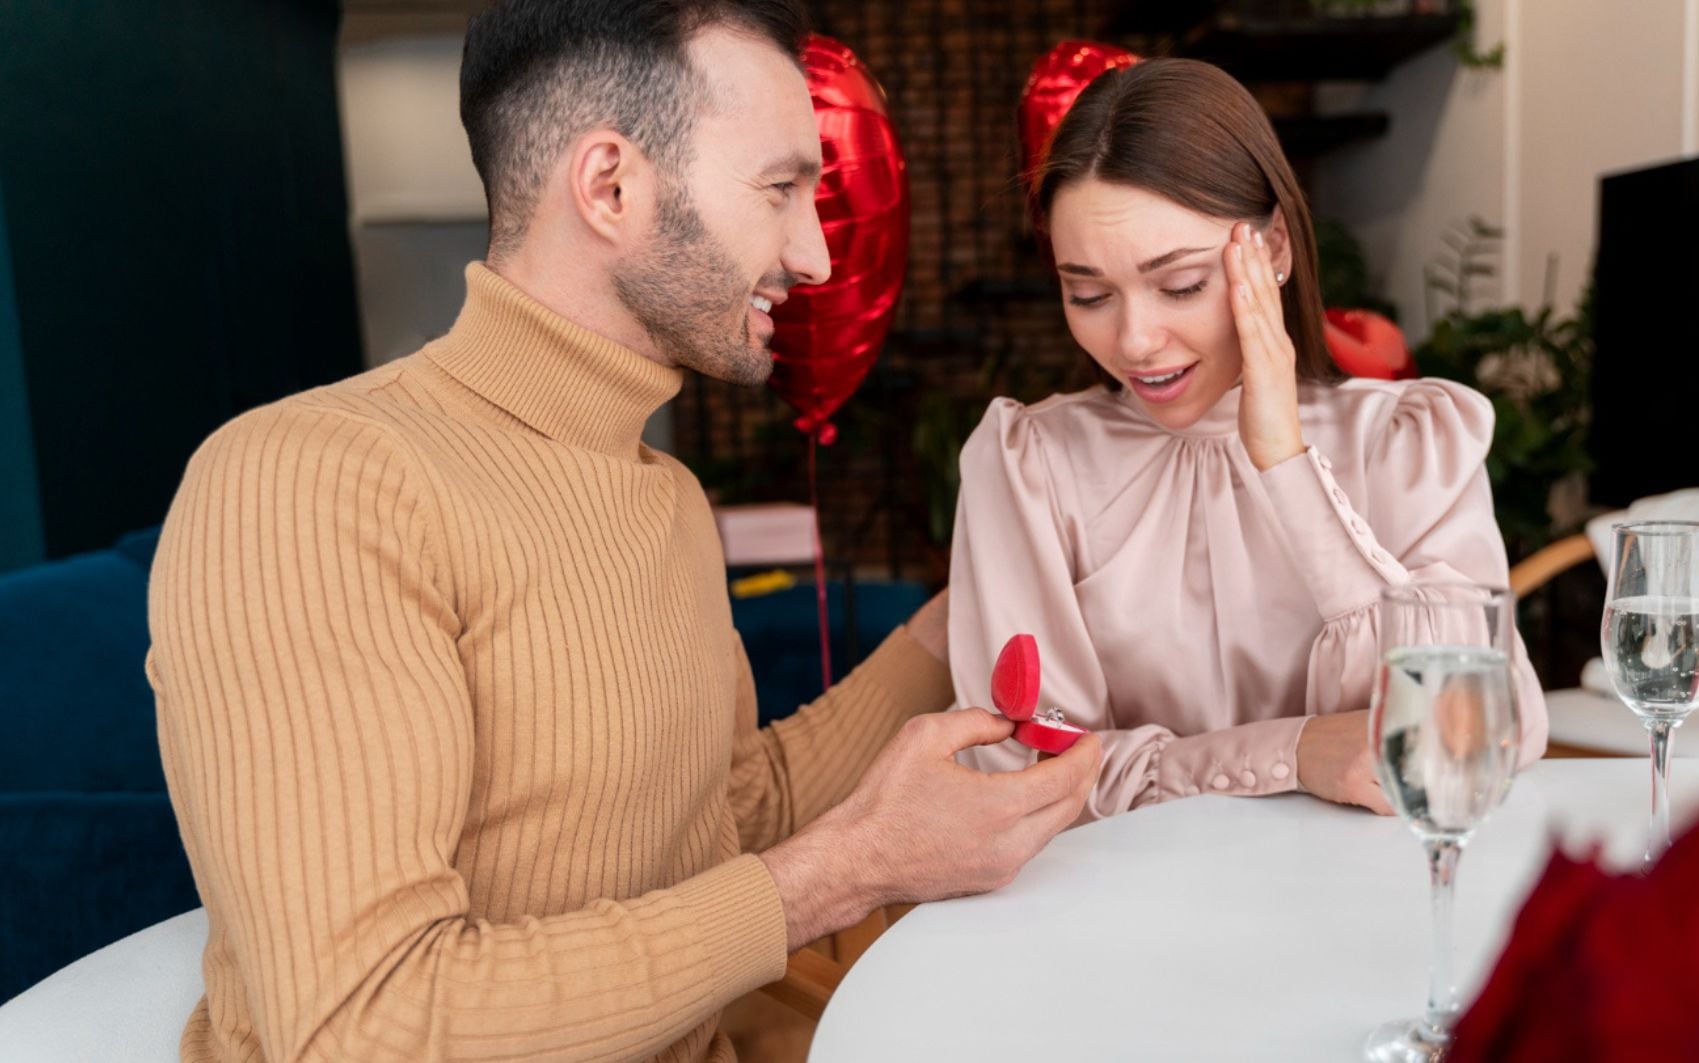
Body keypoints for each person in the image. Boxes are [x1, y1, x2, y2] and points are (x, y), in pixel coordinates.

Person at [147, 2, 1099, 1059]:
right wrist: (850, 869)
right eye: (782, 189)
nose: (818, 256)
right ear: (610, 186)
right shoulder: (310, 480)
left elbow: (729, 809)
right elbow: (364, 1026)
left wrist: (972, 607)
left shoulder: (667, 495)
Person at [948, 58, 1545, 823]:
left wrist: (1287, 467)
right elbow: (1024, 774)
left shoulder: (1403, 442)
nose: (1134, 339)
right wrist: (1293, 752)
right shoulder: (1030, 467)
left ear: (1275, 251)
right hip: (1124, 920)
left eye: (1182, 285)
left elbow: (1483, 725)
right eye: (1088, 293)